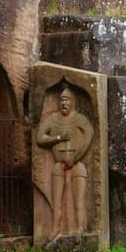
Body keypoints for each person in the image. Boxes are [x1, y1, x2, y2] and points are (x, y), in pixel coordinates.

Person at [34, 87, 93, 239]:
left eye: (66, 100)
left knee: (79, 201)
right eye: (61, 100)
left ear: (73, 102)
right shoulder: (53, 119)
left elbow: (88, 137)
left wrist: (75, 158)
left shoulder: (80, 119)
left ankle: (79, 230)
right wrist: (58, 138)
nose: (63, 103)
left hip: (76, 164)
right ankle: (55, 230)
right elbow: (40, 138)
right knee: (57, 202)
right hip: (58, 165)